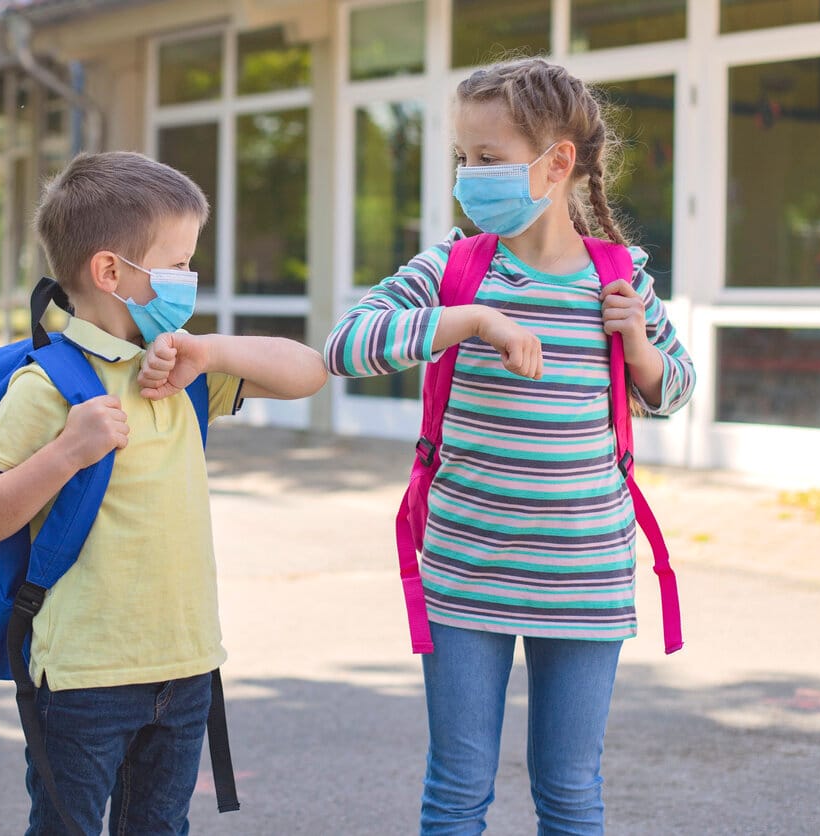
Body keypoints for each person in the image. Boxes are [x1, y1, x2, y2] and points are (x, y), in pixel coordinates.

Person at [325, 57, 696, 835]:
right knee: (457, 792)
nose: (469, 176)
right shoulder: (451, 272)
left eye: (488, 160)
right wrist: (470, 321)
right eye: (463, 159)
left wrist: (641, 349)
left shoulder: (620, 280)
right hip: (465, 574)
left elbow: (678, 388)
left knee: (570, 793)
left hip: (586, 579)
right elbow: (346, 345)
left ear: (557, 163)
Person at [0, 150, 327, 835]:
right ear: (110, 272)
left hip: (185, 668)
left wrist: (208, 352)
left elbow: (308, 372)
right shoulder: (47, 386)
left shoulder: (180, 368)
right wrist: (68, 451)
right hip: (85, 678)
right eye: (178, 263)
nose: (190, 279)